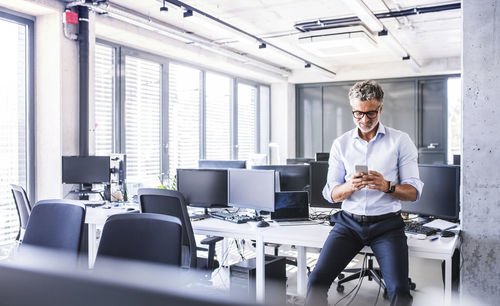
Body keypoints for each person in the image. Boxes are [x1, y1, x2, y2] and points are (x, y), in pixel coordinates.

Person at [305, 80, 423, 306]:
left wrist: (387, 186)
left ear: (380, 108)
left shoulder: (400, 141)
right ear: (352, 110)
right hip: (348, 224)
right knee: (316, 280)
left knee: (400, 289)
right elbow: (330, 194)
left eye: (370, 113)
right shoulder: (341, 144)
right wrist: (350, 186)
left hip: (387, 226)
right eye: (358, 114)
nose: (364, 120)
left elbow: (414, 192)